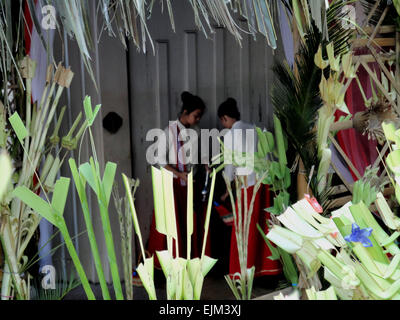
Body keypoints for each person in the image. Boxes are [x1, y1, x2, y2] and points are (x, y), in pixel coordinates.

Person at [217, 98, 281, 280]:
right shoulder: (255, 128)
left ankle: (243, 272)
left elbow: (229, 166)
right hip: (265, 182)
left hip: (247, 186)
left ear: (224, 118)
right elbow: (270, 154)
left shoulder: (230, 136)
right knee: (265, 225)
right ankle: (268, 269)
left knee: (245, 229)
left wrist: (227, 184)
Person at [147, 91, 208, 268]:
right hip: (173, 186)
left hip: (190, 184)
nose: (198, 120)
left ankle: (190, 261)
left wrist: (205, 164)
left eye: (199, 116)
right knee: (173, 224)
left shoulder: (195, 131)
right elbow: (159, 160)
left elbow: (201, 153)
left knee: (190, 223)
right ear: (185, 113)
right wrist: (178, 174)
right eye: (196, 116)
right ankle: (172, 263)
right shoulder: (169, 131)